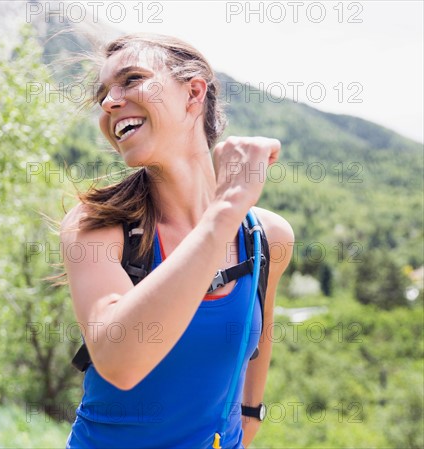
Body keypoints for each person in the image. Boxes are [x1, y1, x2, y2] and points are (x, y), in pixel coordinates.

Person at [60, 33, 294, 449]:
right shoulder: (97, 227)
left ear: (194, 93)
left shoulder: (266, 237)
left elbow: (259, 336)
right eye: (103, 94)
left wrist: (250, 417)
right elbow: (119, 362)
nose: (110, 102)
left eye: (132, 80)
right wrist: (225, 210)